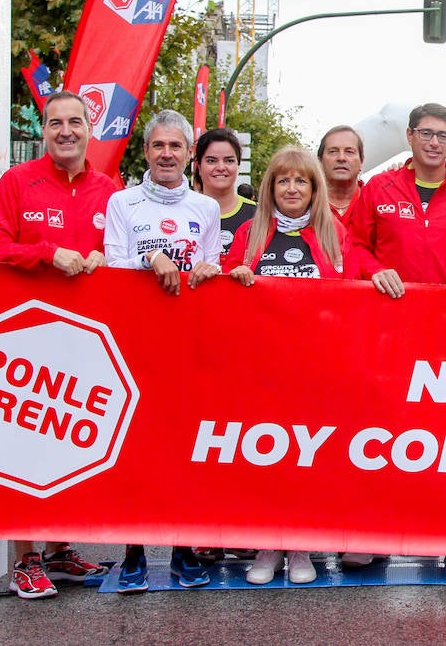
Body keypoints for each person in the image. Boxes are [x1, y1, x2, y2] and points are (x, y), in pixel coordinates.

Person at [0, 89, 115, 600]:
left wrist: (107, 258)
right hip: (27, 335)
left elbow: (121, 249)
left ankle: (59, 549)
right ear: (44, 130)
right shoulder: (18, 181)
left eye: (75, 122)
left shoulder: (108, 187)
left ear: (88, 128)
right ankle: (25, 557)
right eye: (55, 123)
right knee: (25, 444)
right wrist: (47, 254)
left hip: (90, 337)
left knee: (73, 441)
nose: (66, 132)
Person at [224, 145, 359, 582]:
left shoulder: (334, 233)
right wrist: (236, 279)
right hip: (261, 367)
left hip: (315, 368)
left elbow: (351, 292)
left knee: (305, 458)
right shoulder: (249, 232)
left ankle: (300, 548)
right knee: (265, 458)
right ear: (271, 188)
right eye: (283, 180)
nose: (292, 188)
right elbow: (225, 288)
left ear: (314, 188)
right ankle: (266, 548)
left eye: (301, 180)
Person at [103, 110, 221, 592]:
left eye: (176, 146)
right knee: (136, 446)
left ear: (188, 153)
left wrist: (209, 270)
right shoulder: (122, 202)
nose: (167, 154)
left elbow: (212, 262)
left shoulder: (205, 208)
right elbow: (111, 262)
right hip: (135, 340)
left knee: (182, 445)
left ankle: (181, 548)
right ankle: (132, 551)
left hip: (188, 341)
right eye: (158, 146)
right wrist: (150, 258)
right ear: (146, 152)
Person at [350, 103, 446, 299]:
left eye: (442, 136)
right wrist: (375, 271)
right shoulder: (379, 186)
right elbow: (355, 244)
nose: (434, 143)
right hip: (389, 310)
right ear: (410, 135)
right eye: (426, 133)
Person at [193, 127, 256, 257]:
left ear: (238, 165)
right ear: (199, 167)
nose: (221, 167)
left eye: (229, 160)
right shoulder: (185, 212)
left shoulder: (259, 215)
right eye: (211, 160)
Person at [318, 125, 365, 224]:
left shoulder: (375, 200)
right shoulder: (306, 203)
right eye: (333, 151)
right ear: (320, 161)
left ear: (361, 162)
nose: (341, 158)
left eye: (349, 152)